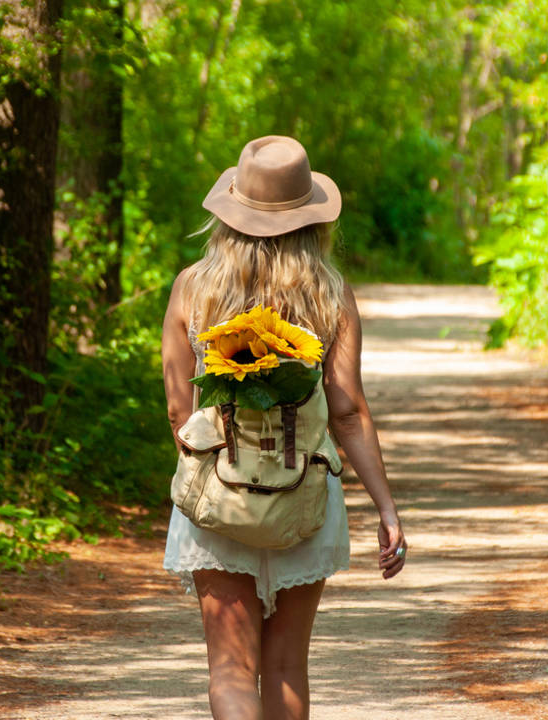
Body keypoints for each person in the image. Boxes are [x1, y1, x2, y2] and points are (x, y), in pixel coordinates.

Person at [161, 135, 407, 720]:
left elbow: (178, 409)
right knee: (286, 666)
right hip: (304, 495)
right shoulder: (332, 294)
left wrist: (226, 467)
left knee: (230, 669)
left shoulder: (193, 289)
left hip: (219, 493)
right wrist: (387, 510)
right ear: (310, 220)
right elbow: (347, 412)